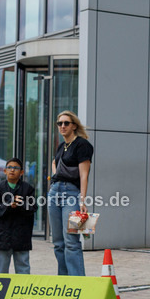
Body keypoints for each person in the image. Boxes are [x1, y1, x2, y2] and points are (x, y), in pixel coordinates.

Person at [48, 111, 92, 277]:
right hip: (54, 193)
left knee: (71, 241)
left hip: (71, 194)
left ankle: (77, 282)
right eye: (60, 123)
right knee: (58, 242)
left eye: (66, 123)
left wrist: (82, 200)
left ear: (74, 125)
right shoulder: (61, 146)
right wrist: (55, 178)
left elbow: (84, 175)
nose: (63, 126)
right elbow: (55, 162)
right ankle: (64, 280)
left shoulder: (82, 145)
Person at [0, 158, 35, 274]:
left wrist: (19, 204)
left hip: (21, 235)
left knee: (23, 268)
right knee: (0, 270)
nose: (12, 170)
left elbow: (33, 207)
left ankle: (23, 290)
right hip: (1, 236)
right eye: (9, 167)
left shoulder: (28, 189)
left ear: (22, 172)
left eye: (16, 168)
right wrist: (8, 204)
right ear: (5, 171)